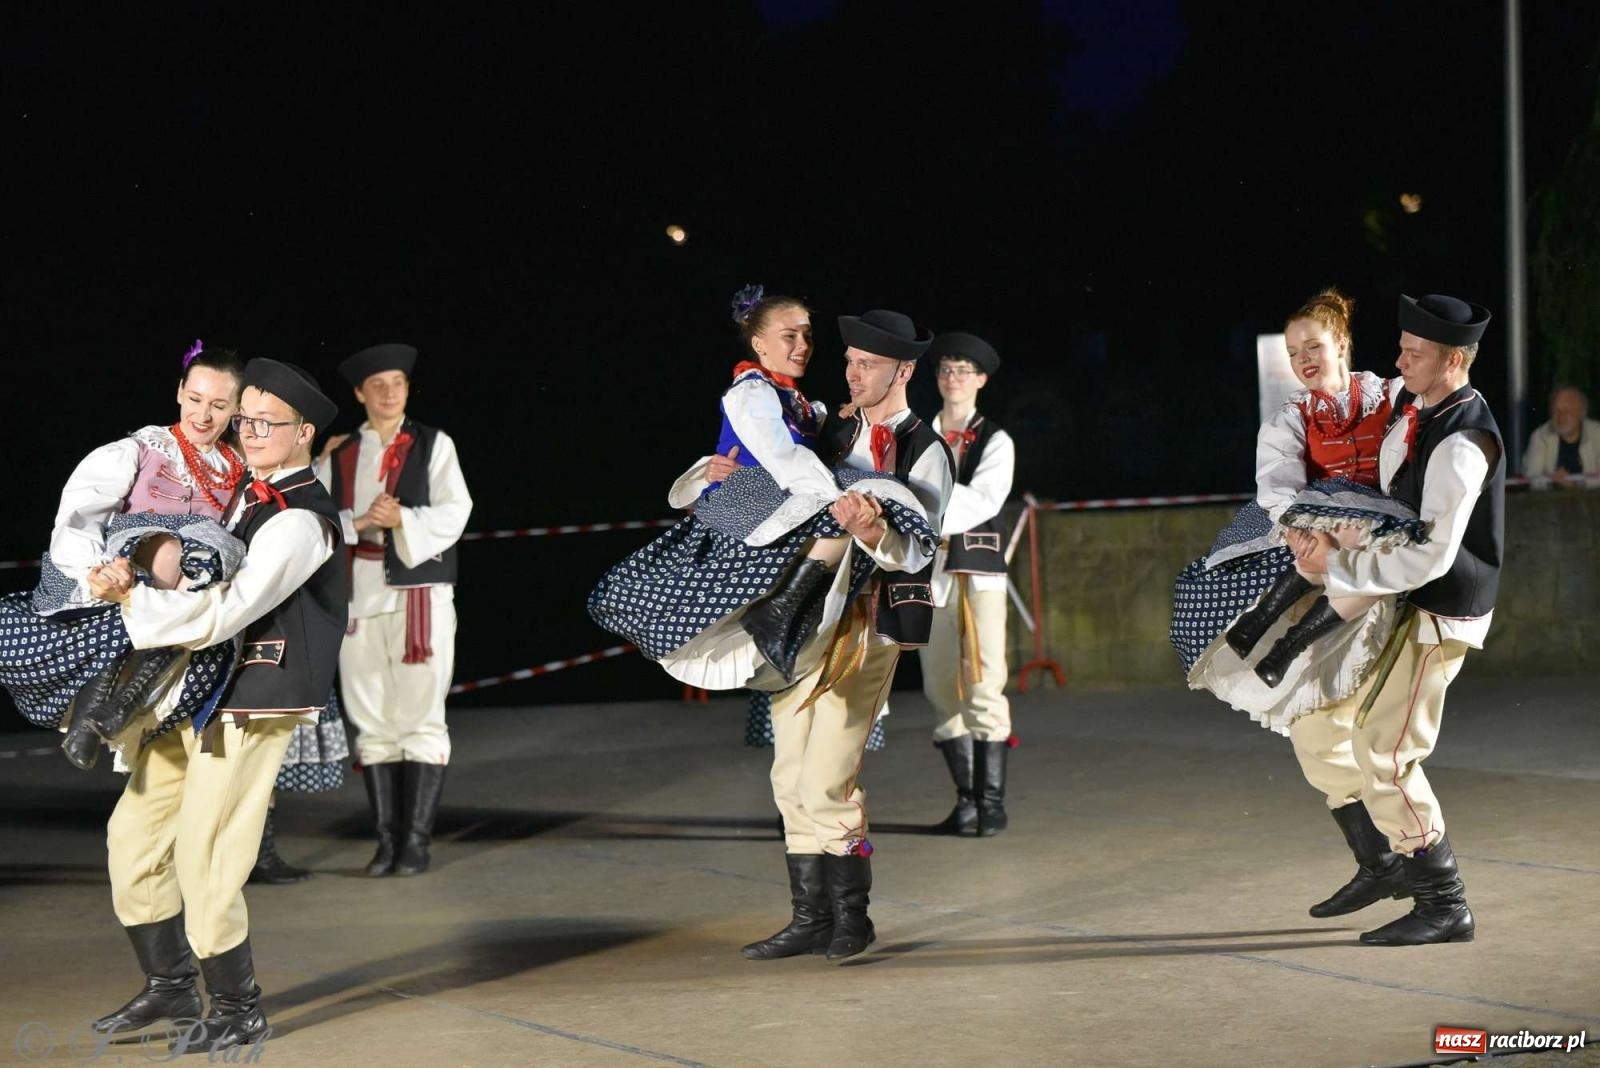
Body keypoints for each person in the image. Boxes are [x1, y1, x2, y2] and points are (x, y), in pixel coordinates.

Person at [85, 358, 345, 1051]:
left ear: (304, 432)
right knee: (131, 840)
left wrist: (136, 598)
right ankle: (170, 986)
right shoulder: (245, 497)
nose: (252, 431)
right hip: (196, 693)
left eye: (270, 423)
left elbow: (223, 613)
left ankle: (237, 1005)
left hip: (253, 699)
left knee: (208, 853)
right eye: (248, 418)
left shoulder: (301, 521)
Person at [590, 289, 938, 693]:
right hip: (743, 513)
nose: (803, 346)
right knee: (860, 496)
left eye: (807, 336)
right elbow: (783, 455)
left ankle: (782, 613)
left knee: (857, 502)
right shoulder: (751, 391)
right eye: (789, 336)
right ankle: (779, 611)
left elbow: (800, 448)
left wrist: (838, 420)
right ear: (759, 344)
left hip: (767, 508)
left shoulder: (796, 400)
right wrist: (837, 496)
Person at [1287, 293, 1502, 946]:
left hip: (1441, 613)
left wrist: (1339, 570)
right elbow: (1394, 513)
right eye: (1402, 347)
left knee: (1384, 751)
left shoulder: (1463, 440)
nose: (1400, 359)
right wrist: (1337, 535)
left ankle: (1443, 899)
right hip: (1402, 602)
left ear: (1454, 359)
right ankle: (1381, 860)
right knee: (1317, 724)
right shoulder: (1421, 411)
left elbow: (1433, 555)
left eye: (1416, 352)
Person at [739, 308, 953, 963]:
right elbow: (786, 495)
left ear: (904, 370)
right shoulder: (831, 430)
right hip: (803, 620)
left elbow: (921, 553)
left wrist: (874, 533)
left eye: (868, 364)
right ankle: (809, 916)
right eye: (851, 361)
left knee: (827, 781)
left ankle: (853, 915)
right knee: (788, 776)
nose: (853, 372)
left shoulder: (927, 449)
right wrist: (732, 477)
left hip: (865, 627)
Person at [1174, 289, 1426, 737]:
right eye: (1293, 352)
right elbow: (1278, 484)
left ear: (1342, 344)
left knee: (1368, 538)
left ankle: (1283, 643)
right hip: (1313, 525)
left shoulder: (1391, 396)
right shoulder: (1291, 418)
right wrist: (1305, 535)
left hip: (1375, 538)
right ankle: (1265, 626)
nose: (1303, 359)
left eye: (1314, 346)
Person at [0, 342, 249, 769]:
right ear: (179, 393)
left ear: (236, 411)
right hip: (130, 559)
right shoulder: (142, 449)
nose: (203, 416)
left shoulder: (239, 468)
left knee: (204, 564)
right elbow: (80, 515)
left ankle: (114, 710)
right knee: (172, 549)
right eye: (195, 399)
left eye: (219, 405)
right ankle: (96, 705)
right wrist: (92, 572)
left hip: (187, 589)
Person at [315, 343, 472, 878]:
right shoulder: (338, 454)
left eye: (397, 384)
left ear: (407, 390)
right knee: (371, 718)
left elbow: (457, 510)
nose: (388, 393)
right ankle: (386, 843)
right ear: (359, 394)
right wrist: (357, 522)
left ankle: (417, 843)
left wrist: (402, 518)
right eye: (376, 385)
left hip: (418, 595)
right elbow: (309, 522)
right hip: (357, 597)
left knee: (421, 714)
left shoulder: (435, 444)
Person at [916, 332, 1016, 836]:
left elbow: (985, 501)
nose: (953, 378)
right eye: (945, 370)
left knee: (983, 680)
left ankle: (992, 803)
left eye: (963, 370)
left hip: (978, 572)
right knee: (939, 687)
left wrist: (923, 515)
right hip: (928, 574)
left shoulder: (995, 440)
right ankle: (967, 801)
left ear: (980, 379)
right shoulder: (918, 435)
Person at [1522, 385, 1598, 485]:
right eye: (1556, 411)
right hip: (1550, 499)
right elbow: (1531, 478)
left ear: (1581, 413)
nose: (1561, 417)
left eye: (1567, 412)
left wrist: (1574, 485)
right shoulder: (1540, 436)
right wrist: (1552, 481)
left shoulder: (1597, 434)